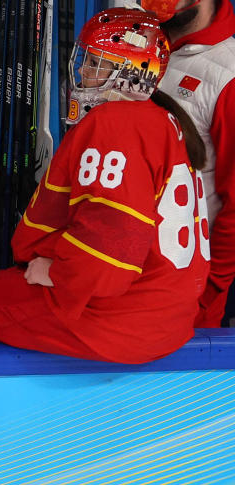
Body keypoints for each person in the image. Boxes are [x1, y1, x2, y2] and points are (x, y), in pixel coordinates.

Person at [0, 8, 208, 364]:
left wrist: (59, 272)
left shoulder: (115, 125)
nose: (83, 73)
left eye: (95, 63)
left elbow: (112, 247)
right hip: (164, 317)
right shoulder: (162, 121)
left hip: (116, 321)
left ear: (130, 72)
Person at [137, 0, 235, 327]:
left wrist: (207, 290)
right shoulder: (142, 46)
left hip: (186, 299)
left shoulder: (228, 75)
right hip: (123, 277)